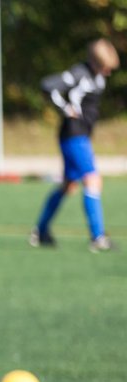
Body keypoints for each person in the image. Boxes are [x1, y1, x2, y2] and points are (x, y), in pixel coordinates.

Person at [30, 38, 119, 252]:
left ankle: (40, 231)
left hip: (80, 136)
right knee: (92, 179)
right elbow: (48, 86)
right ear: (95, 63)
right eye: (105, 68)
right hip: (73, 135)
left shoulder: (97, 76)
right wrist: (64, 109)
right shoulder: (79, 73)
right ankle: (98, 237)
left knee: (69, 185)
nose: (108, 73)